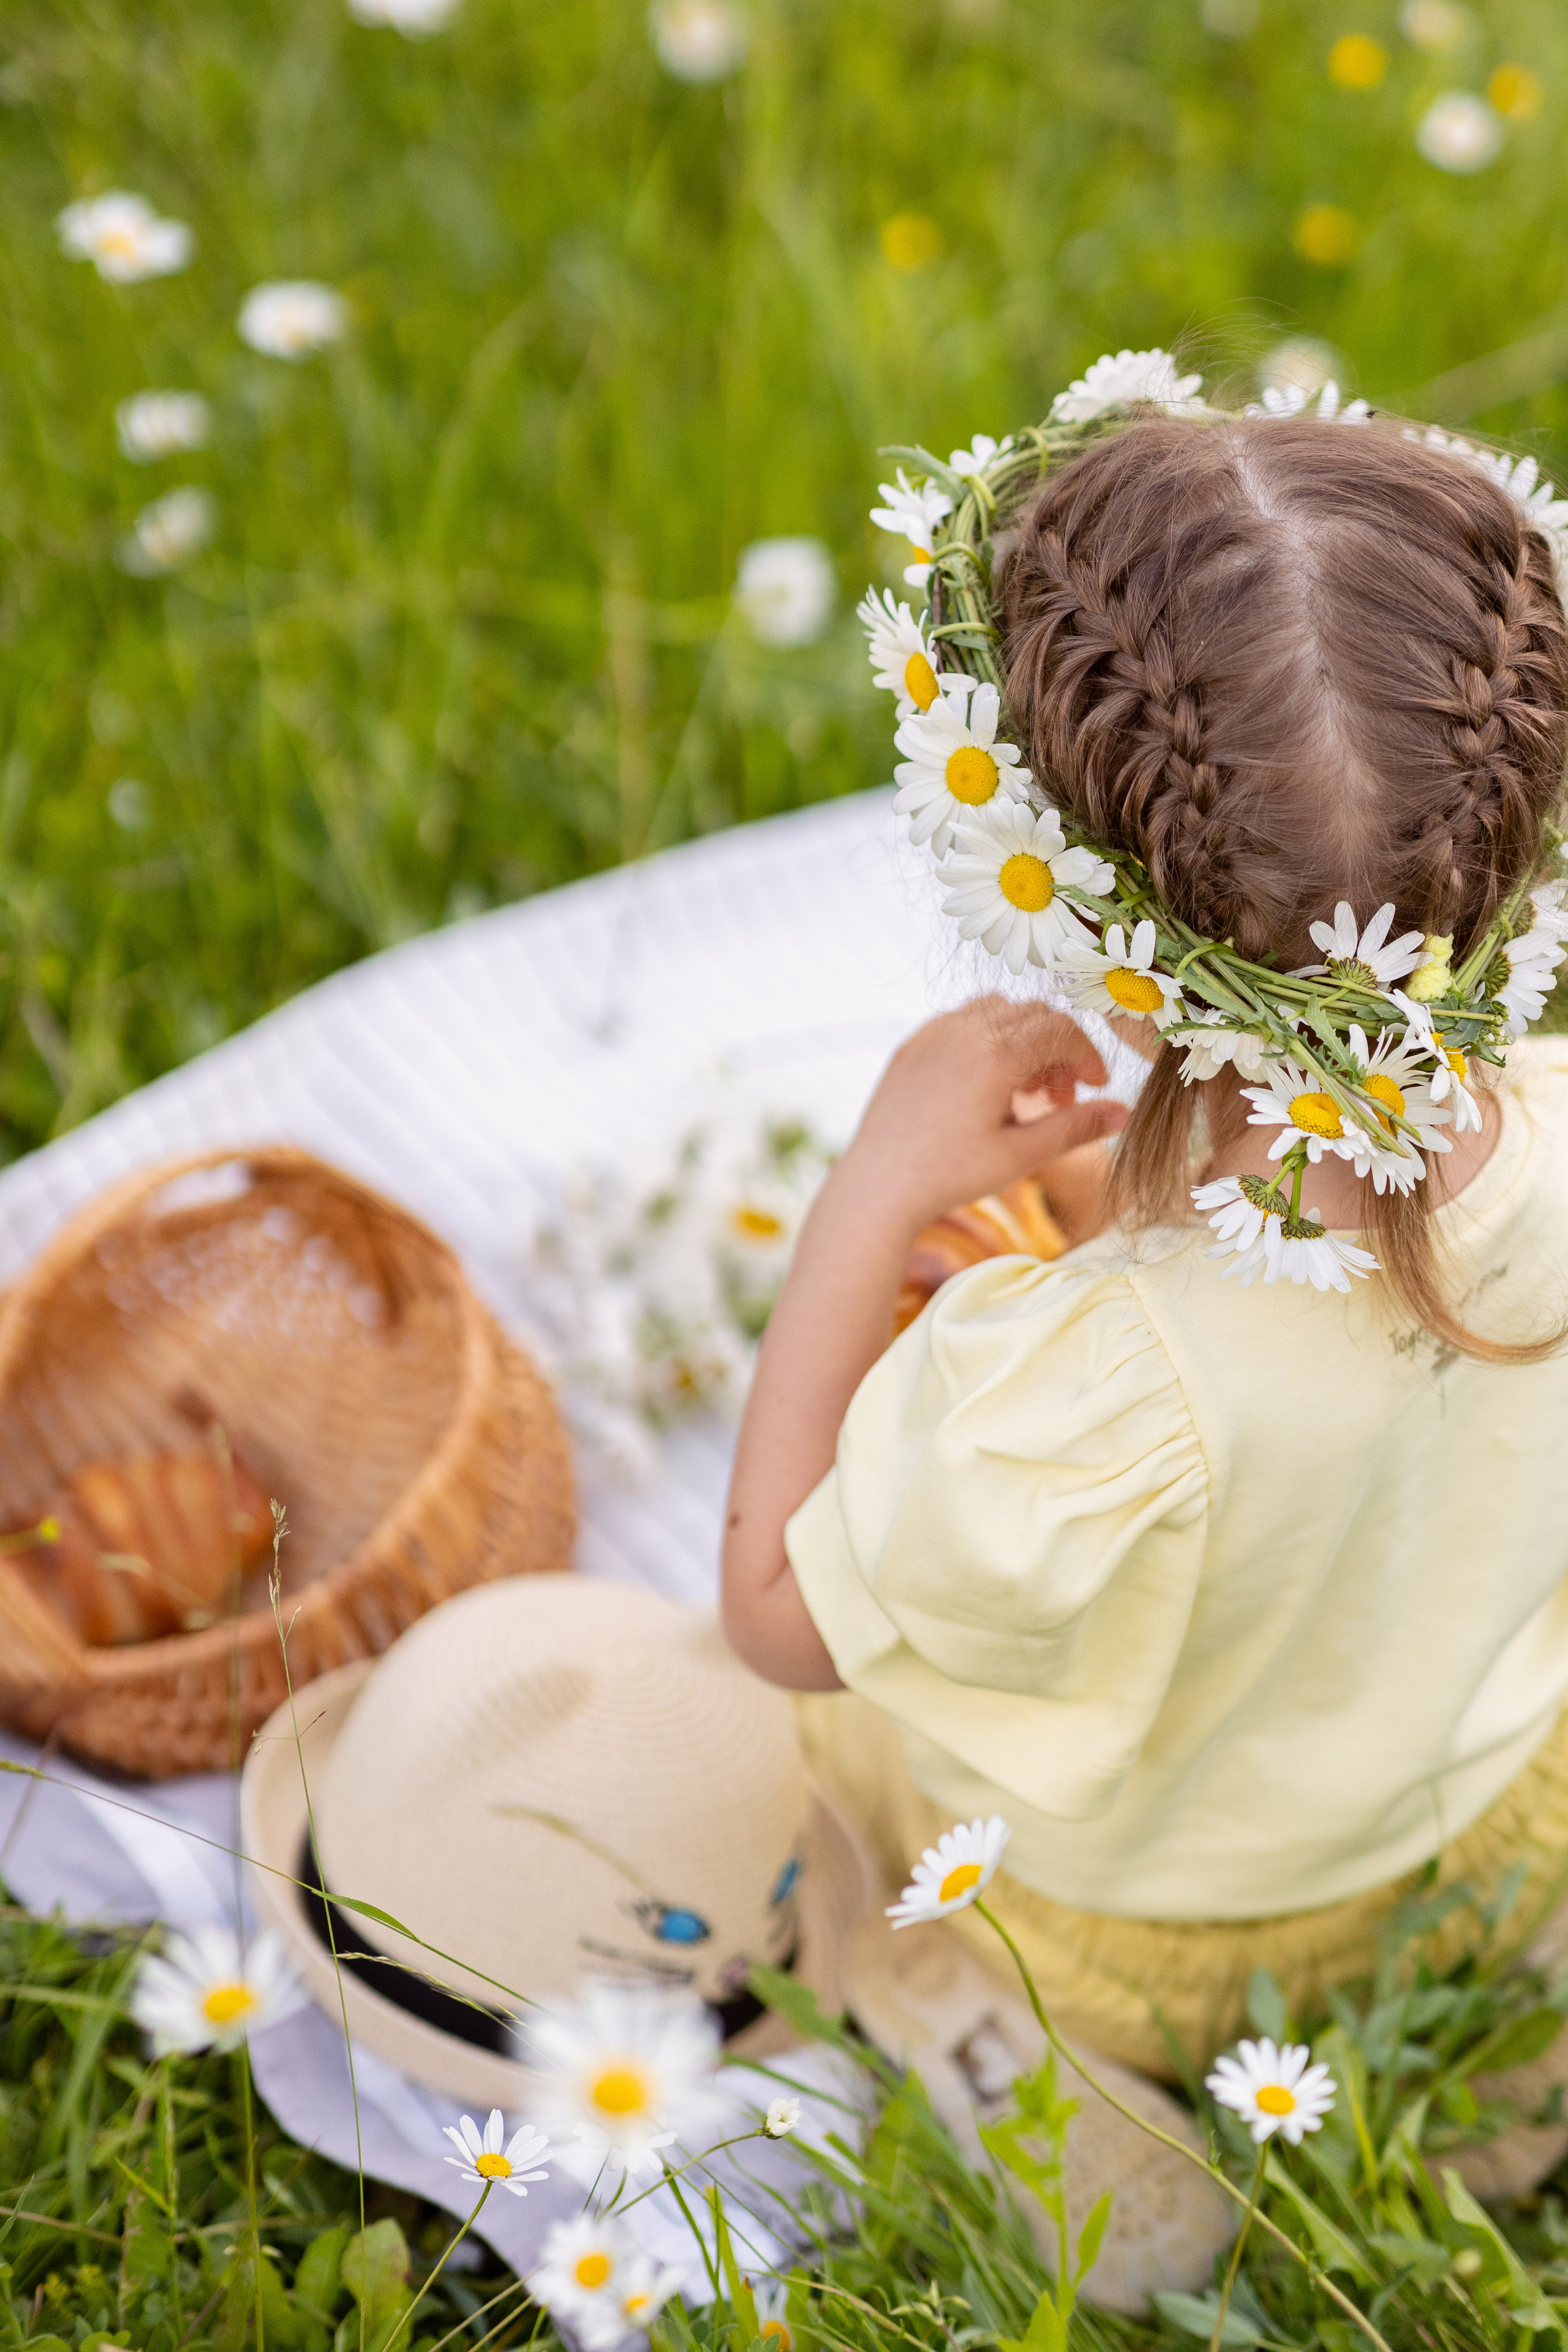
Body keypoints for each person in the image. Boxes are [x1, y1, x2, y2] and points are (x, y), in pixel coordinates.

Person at [720, 410, 1568, 2223]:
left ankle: (971, 2014)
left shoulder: (1090, 1387)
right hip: (1476, 1810)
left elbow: (781, 1619)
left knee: (813, 1750)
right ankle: (1480, 2033)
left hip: (1146, 1922)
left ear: (1068, 896)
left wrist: (871, 1198)